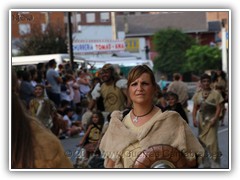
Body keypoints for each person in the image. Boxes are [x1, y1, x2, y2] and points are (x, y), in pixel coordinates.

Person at [99, 65, 204, 168]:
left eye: (144, 83)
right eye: (134, 84)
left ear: (154, 88)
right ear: (128, 90)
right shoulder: (118, 123)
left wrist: (167, 160)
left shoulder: (172, 121)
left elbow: (193, 159)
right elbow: (110, 165)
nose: (139, 88)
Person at [11, 70, 73, 168]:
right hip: (36, 122)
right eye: (36, 90)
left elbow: (53, 111)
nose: (38, 91)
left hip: (45, 125)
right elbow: (30, 112)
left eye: (40, 89)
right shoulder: (32, 102)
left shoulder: (47, 101)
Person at [192, 73, 224, 168]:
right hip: (202, 121)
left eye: (208, 81)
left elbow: (219, 107)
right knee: (202, 142)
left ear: (210, 82)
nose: (206, 83)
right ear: (201, 83)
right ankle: (205, 164)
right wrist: (194, 118)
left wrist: (215, 118)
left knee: (212, 143)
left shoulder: (216, 94)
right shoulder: (197, 95)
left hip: (212, 120)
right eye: (204, 81)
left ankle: (215, 164)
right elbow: (195, 108)